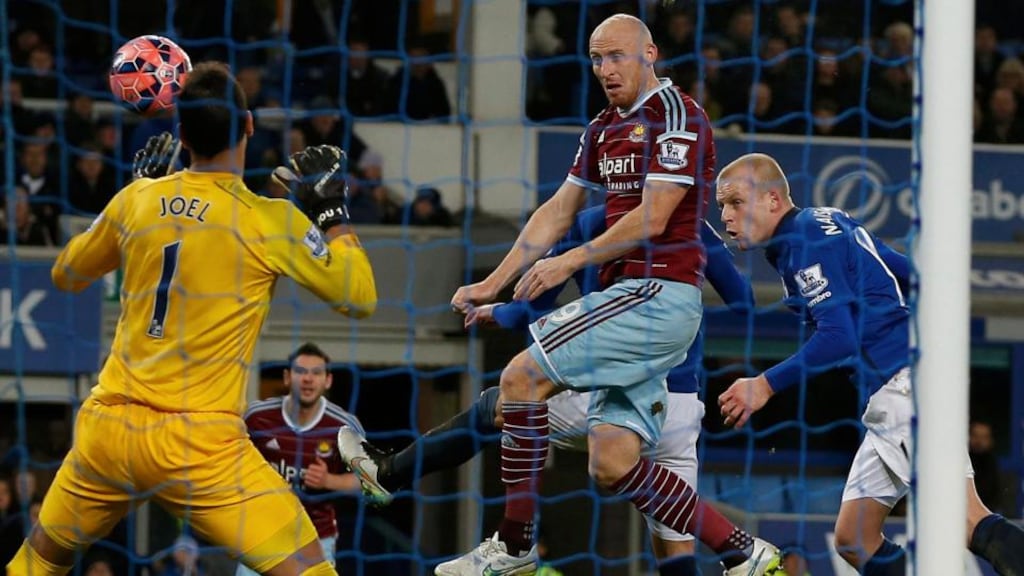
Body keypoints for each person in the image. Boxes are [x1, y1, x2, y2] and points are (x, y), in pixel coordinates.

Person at [7, 61, 377, 576]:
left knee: (37, 563)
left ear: (180, 135)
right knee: (313, 570)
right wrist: (332, 217)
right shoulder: (266, 219)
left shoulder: (136, 199)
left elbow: (66, 272)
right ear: (249, 126)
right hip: (199, 447)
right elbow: (360, 297)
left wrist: (135, 194)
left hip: (109, 431)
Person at [440, 13, 778, 576]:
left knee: (520, 379)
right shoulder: (601, 128)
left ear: (650, 54)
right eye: (596, 59)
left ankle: (515, 547)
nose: (605, 69)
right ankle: (744, 551)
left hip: (656, 295)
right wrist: (491, 283)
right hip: (635, 309)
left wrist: (568, 261)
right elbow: (557, 210)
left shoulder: (680, 115)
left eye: (616, 55)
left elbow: (654, 216)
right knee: (610, 462)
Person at [339, 205, 759, 576]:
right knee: (674, 551)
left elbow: (537, 302)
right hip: (683, 406)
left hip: (621, 395)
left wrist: (499, 312)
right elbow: (744, 302)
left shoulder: (592, 223)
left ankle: (396, 476)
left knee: (503, 404)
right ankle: (746, 552)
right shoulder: (691, 226)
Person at [715, 153, 1024, 576]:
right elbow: (910, 274)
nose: (726, 217)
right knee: (854, 539)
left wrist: (765, 384)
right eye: (721, 207)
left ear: (772, 199)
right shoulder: (825, 220)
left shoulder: (804, 242)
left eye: (735, 202)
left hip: (903, 390)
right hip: (895, 391)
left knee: (965, 518)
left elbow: (839, 337)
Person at [238, 342, 364, 575]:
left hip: (317, 540)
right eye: (300, 371)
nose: (308, 379)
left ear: (327, 381)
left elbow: (368, 482)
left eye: (316, 373)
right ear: (287, 377)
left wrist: (330, 481)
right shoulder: (256, 417)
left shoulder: (344, 426)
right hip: (262, 534)